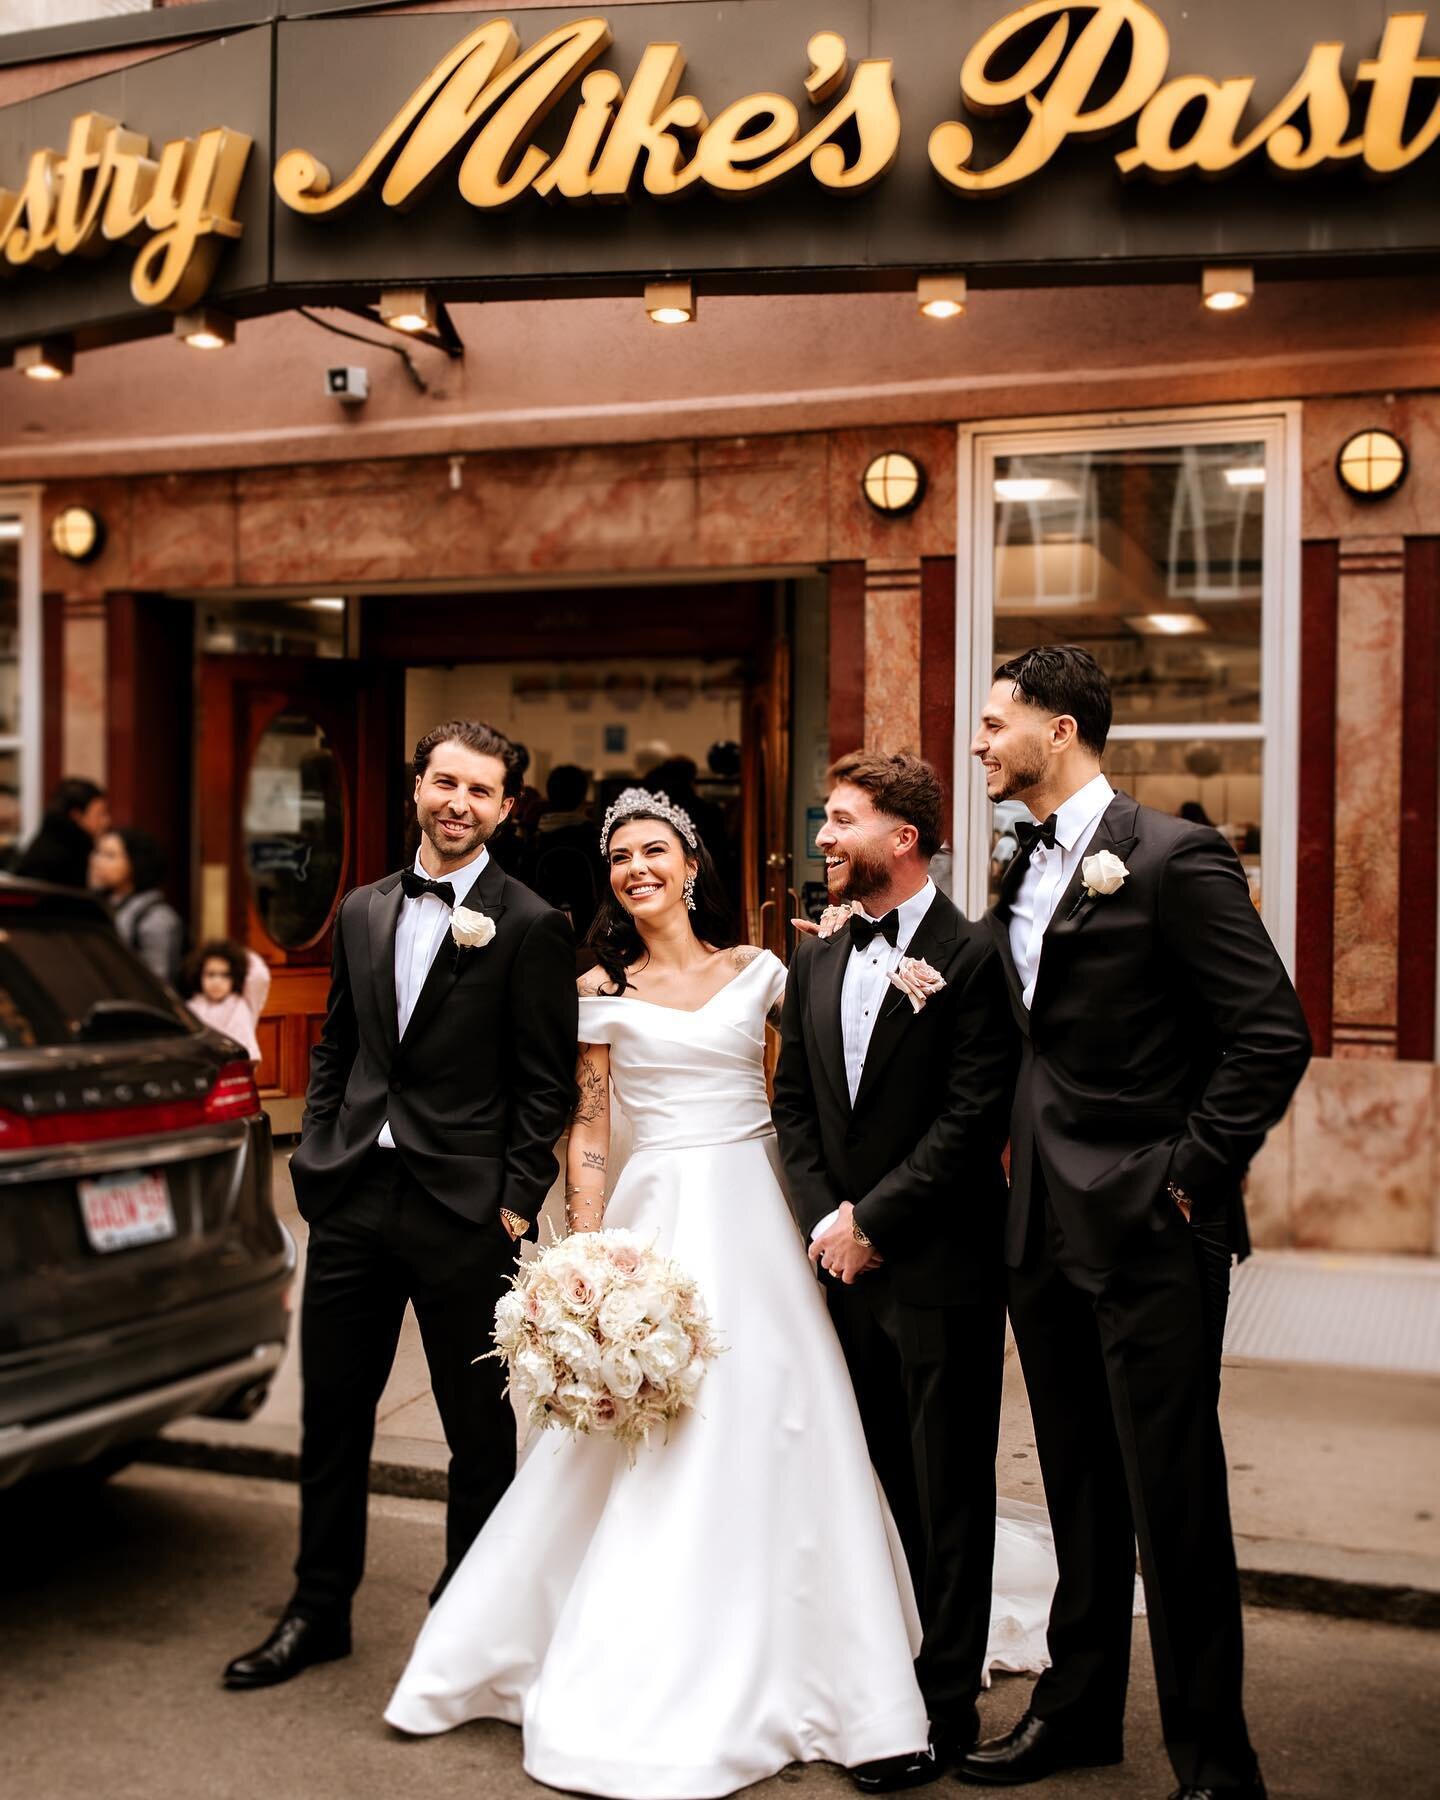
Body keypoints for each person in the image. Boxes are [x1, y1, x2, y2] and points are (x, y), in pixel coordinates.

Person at [387, 786, 937, 1797]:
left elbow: (823, 1074)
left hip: (757, 1211)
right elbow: (588, 1133)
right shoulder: (603, 994)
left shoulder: (764, 971)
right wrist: (585, 1260)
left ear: (691, 866)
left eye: (655, 853)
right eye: (620, 859)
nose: (637, 870)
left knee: (785, 1415)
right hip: (656, 1220)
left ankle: (830, 1662)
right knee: (652, 1424)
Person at [963, 646, 1310, 1798]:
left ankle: (1217, 1762)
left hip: (1153, 1228)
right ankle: (1077, 1714)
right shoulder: (1018, 869)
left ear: (1059, 731)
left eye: (995, 720)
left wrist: (1189, 1176)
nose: (979, 741)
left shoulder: (1173, 857)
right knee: (1077, 1488)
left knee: (1173, 1494)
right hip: (1042, 1232)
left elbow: (1271, 1033)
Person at [223, 720, 576, 1691]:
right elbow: (337, 1044)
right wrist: (316, 1164)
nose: (459, 803)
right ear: (417, 786)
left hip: (466, 1216)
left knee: (477, 1433)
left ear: (507, 809)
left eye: (481, 791)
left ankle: (464, 1620)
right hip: (352, 1200)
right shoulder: (365, 909)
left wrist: (513, 1203)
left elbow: (546, 1084)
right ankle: (317, 1608)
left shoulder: (533, 923)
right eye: (445, 782)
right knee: (333, 1418)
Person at [772, 751, 1019, 1783]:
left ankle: (944, 1706)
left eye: (841, 821)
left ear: (902, 839)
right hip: (841, 1269)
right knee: (869, 1484)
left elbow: (974, 1118)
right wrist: (827, 1218)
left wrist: (875, 1218)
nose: (823, 840)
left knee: (947, 1489)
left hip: (940, 1266)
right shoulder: (821, 958)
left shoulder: (972, 957)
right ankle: (881, 1672)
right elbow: (792, 1106)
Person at [90, 825, 184, 986]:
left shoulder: (156, 917)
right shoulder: (97, 903)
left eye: (110, 856)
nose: (97, 861)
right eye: (97, 852)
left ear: (135, 862)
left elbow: (158, 982)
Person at [181, 939, 271, 1062]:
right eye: (211, 974)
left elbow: (260, 976)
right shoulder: (193, 1007)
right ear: (199, 975)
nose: (217, 982)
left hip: (240, 1068)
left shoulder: (244, 1002)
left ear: (235, 977)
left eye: (225, 975)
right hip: (209, 1069)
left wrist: (240, 954)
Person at [15, 777, 109, 889]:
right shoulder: (69, 854)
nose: (106, 821)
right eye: (100, 814)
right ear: (77, 816)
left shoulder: (51, 841)